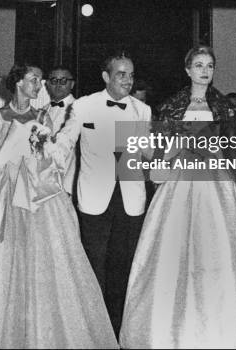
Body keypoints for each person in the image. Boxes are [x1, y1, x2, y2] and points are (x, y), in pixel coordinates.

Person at [120, 46, 236, 349]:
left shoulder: (225, 108)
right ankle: (169, 330)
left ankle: (229, 329)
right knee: (173, 252)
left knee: (221, 251)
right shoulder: (172, 106)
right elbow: (160, 150)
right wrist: (177, 150)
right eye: (198, 65)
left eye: (210, 66)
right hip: (181, 183)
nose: (204, 70)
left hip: (215, 182)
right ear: (187, 70)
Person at [0, 63, 117, 349]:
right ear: (18, 83)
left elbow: (51, 157)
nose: (39, 85)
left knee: (45, 261)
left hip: (37, 194)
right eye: (34, 79)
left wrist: (43, 151)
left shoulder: (42, 115)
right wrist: (16, 147)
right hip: (4, 193)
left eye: (41, 81)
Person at [54, 52, 151, 336]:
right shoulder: (85, 106)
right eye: (121, 74)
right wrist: (49, 152)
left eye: (131, 74)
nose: (128, 80)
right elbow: (66, 138)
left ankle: (117, 331)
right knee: (93, 265)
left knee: (123, 266)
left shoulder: (142, 110)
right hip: (94, 198)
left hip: (131, 198)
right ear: (106, 77)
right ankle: (93, 332)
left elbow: (148, 151)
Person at [42, 65, 77, 195]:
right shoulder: (42, 111)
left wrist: (69, 187)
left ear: (72, 84)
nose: (58, 85)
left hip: (67, 182)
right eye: (54, 81)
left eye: (63, 81)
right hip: (44, 181)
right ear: (47, 84)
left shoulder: (80, 109)